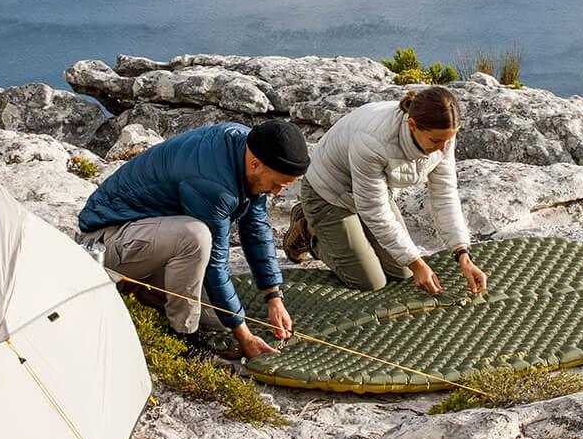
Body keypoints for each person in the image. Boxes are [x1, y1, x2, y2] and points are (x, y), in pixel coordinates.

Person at [78, 117, 308, 359]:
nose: (277, 192)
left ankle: (140, 289)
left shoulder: (250, 146)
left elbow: (256, 228)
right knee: (196, 236)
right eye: (276, 184)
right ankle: (182, 339)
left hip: (149, 239)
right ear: (255, 165)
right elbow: (215, 264)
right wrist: (244, 336)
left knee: (217, 320)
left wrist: (274, 296)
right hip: (104, 243)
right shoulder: (212, 183)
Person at [284, 87, 488, 298]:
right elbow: (374, 210)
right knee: (370, 281)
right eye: (436, 141)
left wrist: (462, 254)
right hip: (328, 193)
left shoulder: (441, 135)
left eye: (448, 140)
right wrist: (417, 263)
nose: (442, 148)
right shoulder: (373, 140)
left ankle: (348, 233)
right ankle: (308, 231)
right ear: (412, 125)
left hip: (370, 193)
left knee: (403, 272)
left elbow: (445, 195)